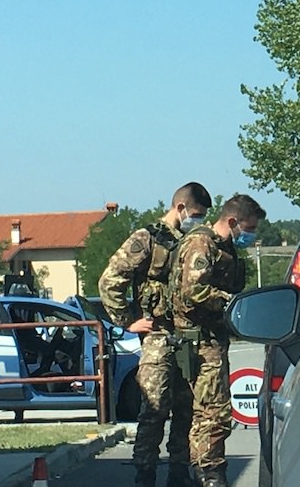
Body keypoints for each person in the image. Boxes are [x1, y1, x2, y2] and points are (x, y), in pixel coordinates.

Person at [98, 182, 213, 487]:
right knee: (154, 407)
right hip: (158, 335)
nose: (198, 220)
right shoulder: (147, 238)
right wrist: (127, 321)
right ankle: (145, 473)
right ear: (181, 208)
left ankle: (179, 471)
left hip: (188, 335)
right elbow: (110, 280)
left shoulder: (195, 241)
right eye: (196, 214)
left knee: (187, 408)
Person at [171, 193, 266, 487]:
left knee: (199, 412)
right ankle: (210, 474)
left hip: (209, 339)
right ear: (233, 221)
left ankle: (189, 472)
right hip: (201, 342)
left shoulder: (222, 248)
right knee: (213, 413)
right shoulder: (203, 244)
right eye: (249, 228)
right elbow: (193, 291)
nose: (250, 235)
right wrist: (231, 303)